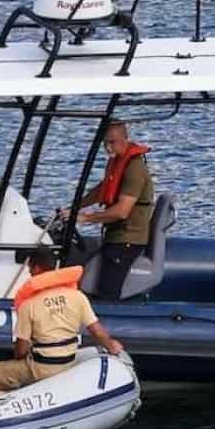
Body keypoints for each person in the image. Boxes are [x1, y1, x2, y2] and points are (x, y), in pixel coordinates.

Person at [0, 247, 123, 393]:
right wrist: (112, 346)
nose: (29, 273)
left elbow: (21, 350)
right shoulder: (77, 296)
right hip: (68, 362)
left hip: (41, 368)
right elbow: (96, 331)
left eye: (30, 269)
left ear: (37, 268)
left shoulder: (29, 305)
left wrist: (19, 360)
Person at [62, 120, 155, 300]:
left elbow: (121, 211)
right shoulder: (117, 162)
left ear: (126, 139)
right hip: (115, 236)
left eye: (112, 142)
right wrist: (74, 208)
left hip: (127, 239)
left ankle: (110, 318)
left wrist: (85, 218)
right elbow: (102, 190)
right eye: (105, 142)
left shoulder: (134, 168)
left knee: (108, 290)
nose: (108, 147)